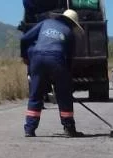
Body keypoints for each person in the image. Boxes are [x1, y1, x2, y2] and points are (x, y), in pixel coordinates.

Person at [20, 9, 84, 138]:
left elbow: (24, 39)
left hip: (37, 58)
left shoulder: (46, 23)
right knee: (64, 96)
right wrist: (65, 82)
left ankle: (29, 129)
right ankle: (69, 128)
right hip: (57, 59)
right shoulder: (69, 33)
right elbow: (70, 59)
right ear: (72, 23)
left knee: (36, 94)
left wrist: (25, 57)